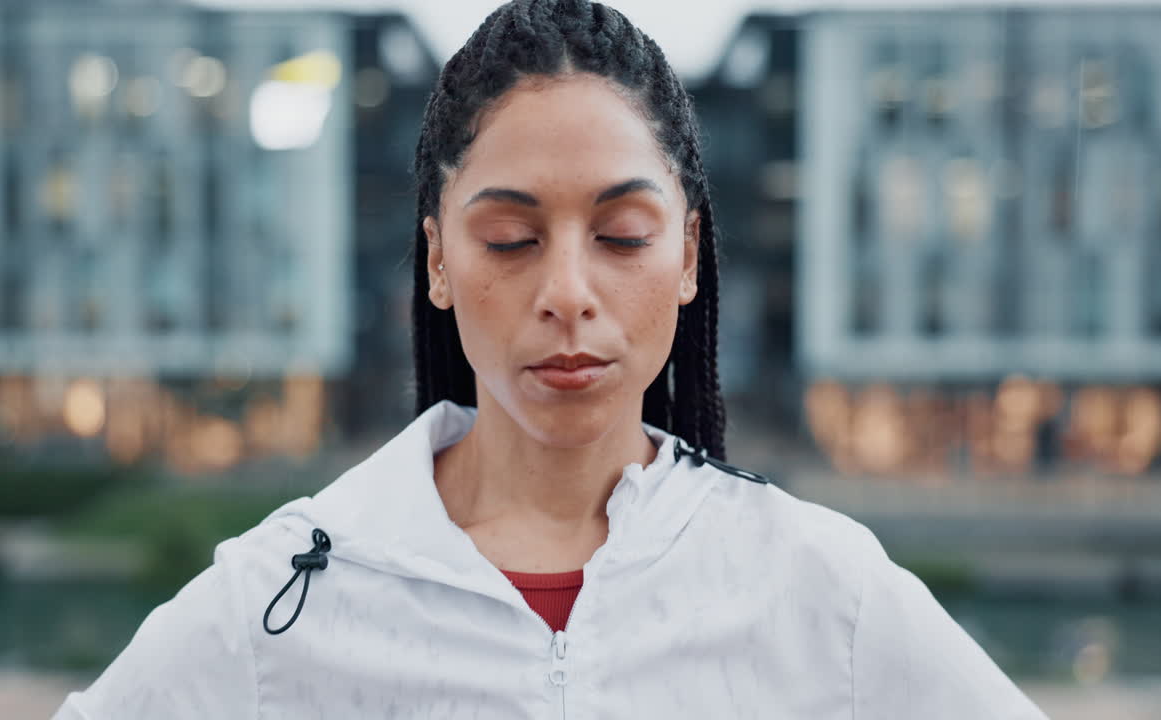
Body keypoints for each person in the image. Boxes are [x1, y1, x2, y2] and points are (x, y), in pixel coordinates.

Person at [52, 1, 1048, 717]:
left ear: (688, 256)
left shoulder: (817, 588)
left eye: (620, 235)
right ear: (439, 259)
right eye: (509, 239)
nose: (567, 291)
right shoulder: (285, 591)